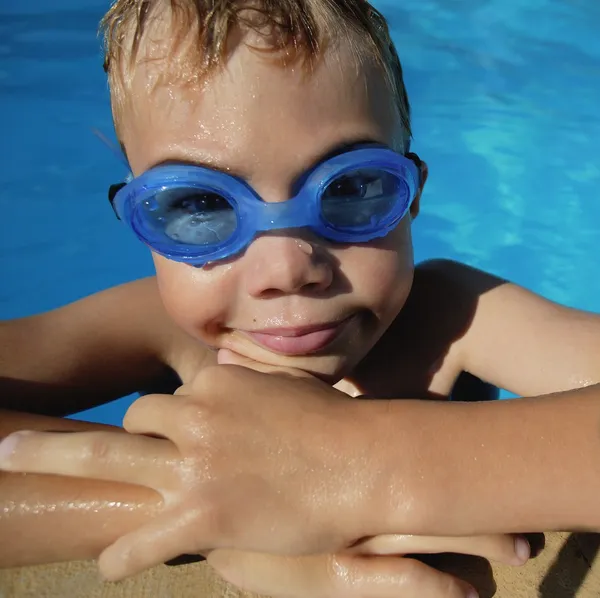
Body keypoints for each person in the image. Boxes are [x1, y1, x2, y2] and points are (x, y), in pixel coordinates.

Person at [1, 1, 600, 597]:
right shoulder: (160, 327)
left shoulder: (454, 319)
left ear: (413, 194)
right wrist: (225, 509)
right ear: (138, 218)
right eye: (199, 205)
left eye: (351, 188)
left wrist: (364, 468)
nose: (287, 267)